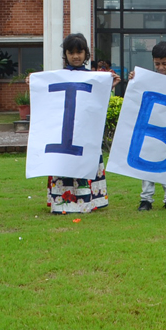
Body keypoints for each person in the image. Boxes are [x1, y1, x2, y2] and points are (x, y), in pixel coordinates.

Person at [47, 33, 119, 215]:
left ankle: (90, 201)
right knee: (65, 162)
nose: (75, 56)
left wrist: (110, 85)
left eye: (79, 52)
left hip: (86, 130)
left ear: (86, 54)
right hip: (65, 130)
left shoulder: (93, 77)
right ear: (66, 54)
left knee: (87, 161)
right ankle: (62, 202)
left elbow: (98, 100)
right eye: (71, 52)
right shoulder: (58, 76)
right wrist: (33, 84)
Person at [133, 41, 166, 211]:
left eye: (164, 64)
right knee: (147, 162)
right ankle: (146, 199)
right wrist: (134, 80)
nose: (160, 67)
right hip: (150, 128)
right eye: (157, 64)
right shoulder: (147, 80)